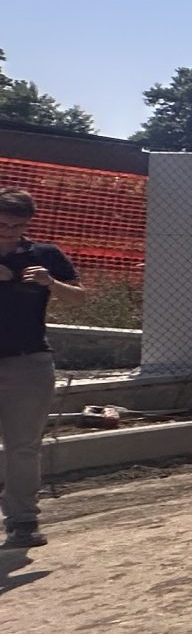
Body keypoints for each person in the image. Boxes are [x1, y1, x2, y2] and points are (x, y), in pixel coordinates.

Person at [0, 188, 88, 550]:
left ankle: (22, 522)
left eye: (17, 226)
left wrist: (51, 283)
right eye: (2, 225)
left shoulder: (45, 255)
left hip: (29, 360)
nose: (9, 233)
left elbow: (79, 298)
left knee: (23, 446)